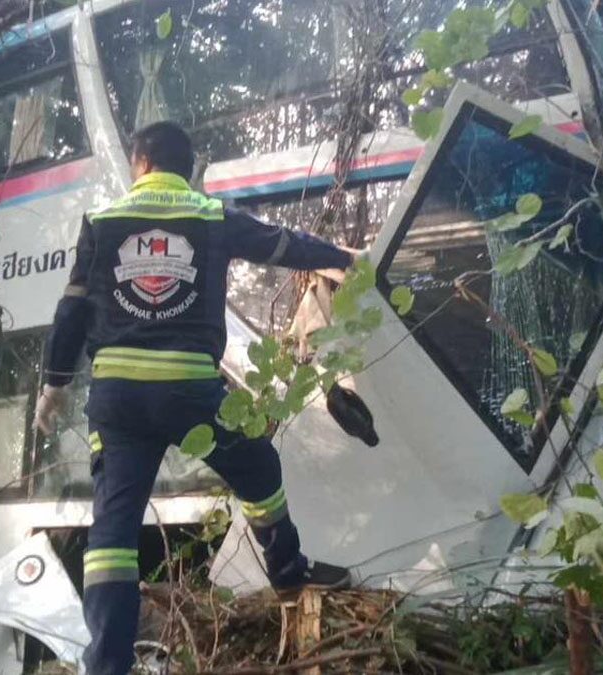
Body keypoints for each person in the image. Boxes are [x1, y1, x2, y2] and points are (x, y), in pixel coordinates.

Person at [34, 121, 354, 675]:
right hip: (191, 392)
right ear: (191, 169)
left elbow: (73, 311)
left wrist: (53, 384)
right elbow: (282, 245)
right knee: (258, 466)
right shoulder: (211, 217)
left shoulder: (103, 224)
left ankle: (106, 666)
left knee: (112, 533)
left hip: (118, 402)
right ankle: (287, 573)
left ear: (139, 163)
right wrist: (343, 257)